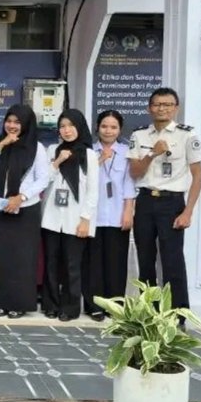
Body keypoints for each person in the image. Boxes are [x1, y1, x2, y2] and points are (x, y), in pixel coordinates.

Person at [127, 87, 201, 311]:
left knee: (173, 261)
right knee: (145, 260)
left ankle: (177, 315)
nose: (162, 109)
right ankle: (149, 312)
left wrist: (187, 212)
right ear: (149, 108)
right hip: (145, 201)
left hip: (172, 203)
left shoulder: (187, 135)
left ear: (176, 108)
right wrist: (152, 153)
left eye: (168, 105)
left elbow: (198, 177)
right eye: (157, 104)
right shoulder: (139, 135)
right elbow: (135, 172)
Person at [0, 104, 49, 319]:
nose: (12, 125)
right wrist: (2, 144)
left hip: (25, 210)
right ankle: (0, 301)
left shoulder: (37, 148)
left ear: (26, 124)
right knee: (0, 257)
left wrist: (21, 197)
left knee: (22, 258)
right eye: (9, 121)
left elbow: (43, 179)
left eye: (17, 122)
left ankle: (19, 303)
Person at [41, 109, 99, 322]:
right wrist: (57, 162)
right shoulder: (52, 150)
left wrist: (85, 219)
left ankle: (70, 307)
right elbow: (44, 179)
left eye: (71, 126)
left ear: (80, 127)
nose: (66, 130)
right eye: (62, 126)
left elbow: (93, 191)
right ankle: (50, 304)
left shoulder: (89, 155)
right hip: (51, 217)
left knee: (72, 265)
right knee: (51, 262)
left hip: (76, 218)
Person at [86, 110, 136, 320]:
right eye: (104, 126)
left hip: (117, 213)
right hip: (92, 215)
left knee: (116, 262)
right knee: (93, 262)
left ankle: (115, 306)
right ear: (97, 127)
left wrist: (128, 211)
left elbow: (129, 183)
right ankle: (94, 306)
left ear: (120, 130)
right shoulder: (89, 151)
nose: (108, 131)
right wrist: (99, 160)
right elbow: (83, 179)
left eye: (113, 127)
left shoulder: (126, 152)